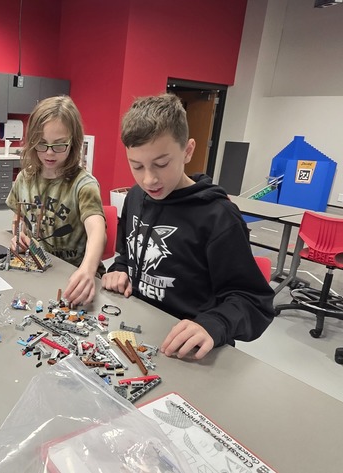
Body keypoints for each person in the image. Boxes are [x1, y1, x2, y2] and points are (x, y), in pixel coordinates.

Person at [102, 94, 274, 360]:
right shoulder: (135, 197)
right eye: (137, 166)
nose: (149, 179)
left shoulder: (218, 216)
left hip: (189, 351)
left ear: (188, 150)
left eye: (161, 164)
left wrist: (214, 324)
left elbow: (254, 302)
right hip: (138, 335)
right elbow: (128, 254)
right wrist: (120, 268)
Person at [6, 96, 106, 306]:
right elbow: (21, 223)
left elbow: (98, 231)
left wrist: (87, 270)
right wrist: (20, 239)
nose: (49, 153)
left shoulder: (83, 184)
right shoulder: (24, 178)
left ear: (74, 142)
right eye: (42, 144)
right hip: (39, 270)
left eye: (60, 145)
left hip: (75, 277)